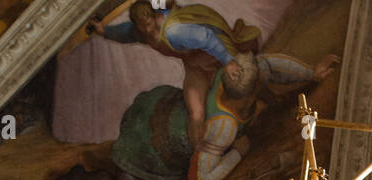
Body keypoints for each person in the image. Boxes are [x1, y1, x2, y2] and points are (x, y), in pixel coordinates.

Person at [55, 48, 339, 180]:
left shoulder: (242, 72)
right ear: (248, 94)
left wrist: (311, 74)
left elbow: (272, 66)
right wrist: (237, 152)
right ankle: (81, 178)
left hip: (160, 104)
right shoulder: (222, 126)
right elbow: (200, 179)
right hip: (150, 145)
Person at [92, 1, 261, 146]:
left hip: (216, 58)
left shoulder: (175, 31)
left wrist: (228, 61)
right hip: (196, 68)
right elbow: (125, 33)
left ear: (155, 16)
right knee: (196, 113)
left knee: (240, 88)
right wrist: (104, 31)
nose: (148, 30)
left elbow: (207, 38)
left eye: (149, 24)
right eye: (142, 27)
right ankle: (201, 152)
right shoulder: (142, 31)